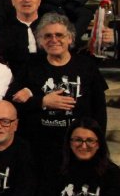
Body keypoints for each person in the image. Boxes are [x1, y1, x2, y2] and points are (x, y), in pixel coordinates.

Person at [9, 12, 107, 172]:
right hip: (39, 148)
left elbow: (99, 109)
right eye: (47, 36)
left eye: (59, 35)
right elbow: (11, 102)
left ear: (70, 38)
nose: (54, 40)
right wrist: (42, 102)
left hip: (77, 147)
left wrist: (97, 142)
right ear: (40, 40)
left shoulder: (86, 66)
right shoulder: (31, 66)